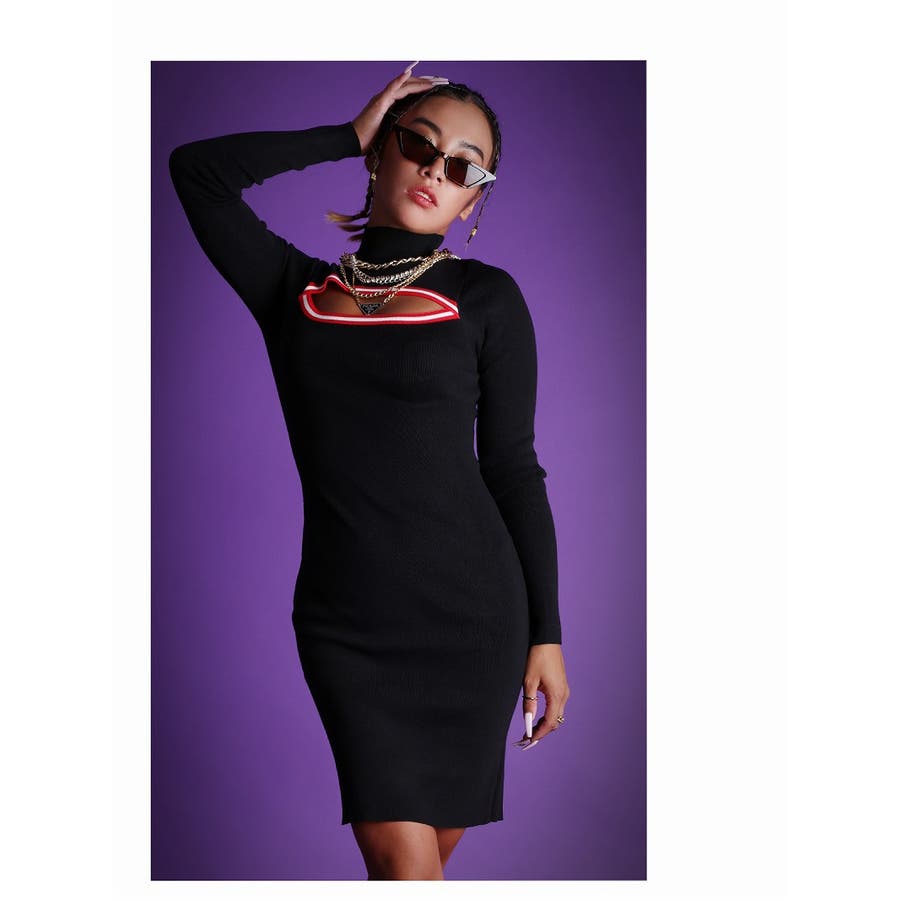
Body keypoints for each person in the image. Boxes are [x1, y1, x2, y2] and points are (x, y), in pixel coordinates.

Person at [168, 62, 571, 880]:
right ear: (382, 151)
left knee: (416, 874)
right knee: (404, 870)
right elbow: (196, 172)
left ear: (473, 202)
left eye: (464, 168)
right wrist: (343, 133)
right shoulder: (293, 292)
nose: (436, 170)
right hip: (348, 623)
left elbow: (512, 469)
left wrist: (547, 633)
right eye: (418, 144)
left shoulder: (488, 299)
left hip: (473, 618)